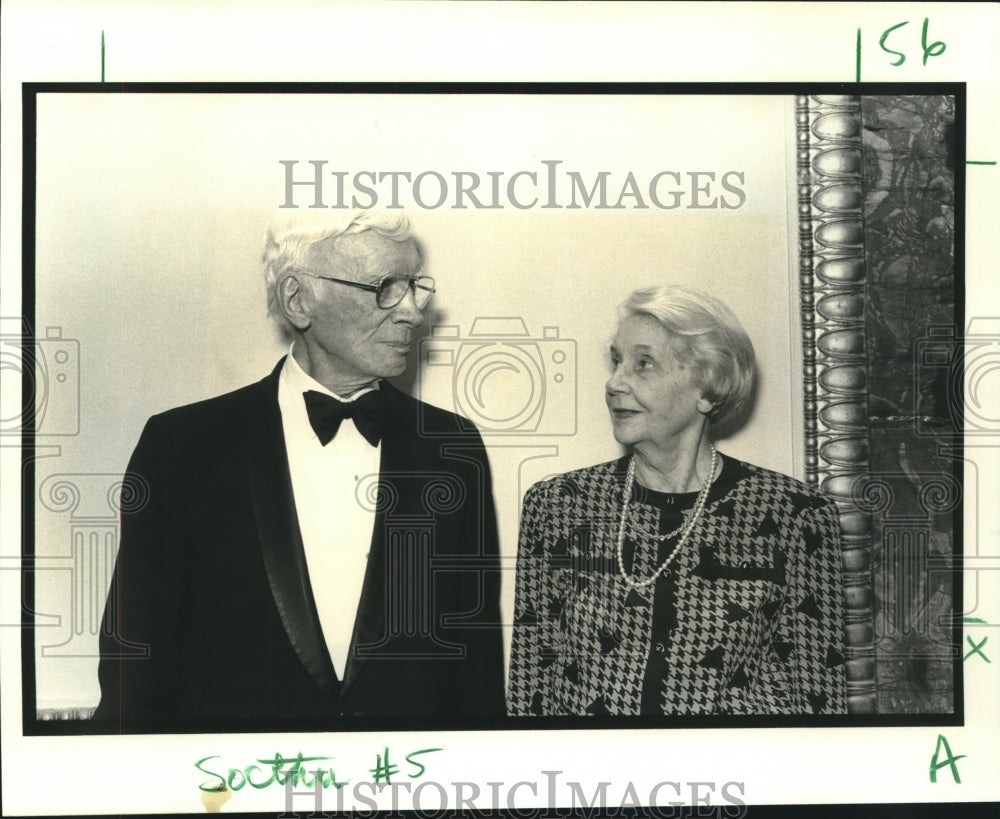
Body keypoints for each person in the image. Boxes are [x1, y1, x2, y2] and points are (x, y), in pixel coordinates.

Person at [93, 209, 504, 731]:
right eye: (385, 288)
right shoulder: (182, 448)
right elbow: (136, 666)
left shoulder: (452, 447)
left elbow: (477, 670)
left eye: (415, 287)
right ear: (298, 299)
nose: (412, 313)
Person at [507, 285, 847, 716]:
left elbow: (818, 701)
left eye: (643, 364)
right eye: (616, 361)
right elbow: (529, 690)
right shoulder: (558, 506)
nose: (614, 383)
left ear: (707, 387)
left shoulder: (793, 515)